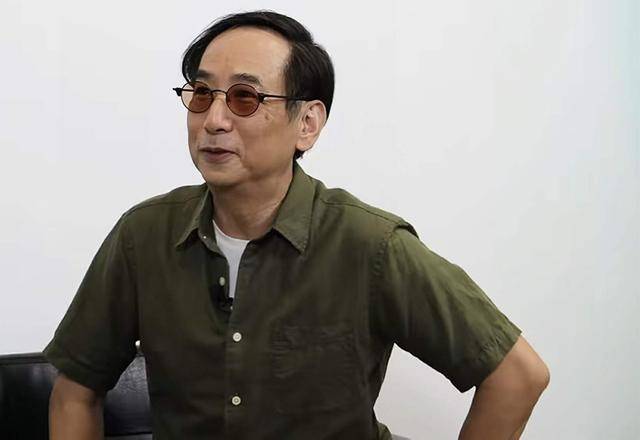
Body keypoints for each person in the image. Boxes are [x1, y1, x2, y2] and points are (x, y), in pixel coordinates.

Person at [45, 10, 550, 440]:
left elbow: (517, 375)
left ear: (307, 124)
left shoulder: (369, 245)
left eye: (244, 97)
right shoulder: (143, 236)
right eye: (201, 93)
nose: (214, 119)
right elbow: (75, 392)